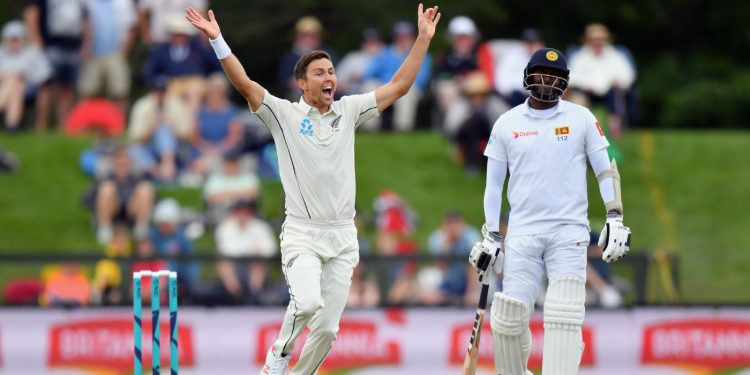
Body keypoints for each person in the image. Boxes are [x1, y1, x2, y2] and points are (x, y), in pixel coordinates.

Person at [185, 4, 441, 374]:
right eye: (319, 72)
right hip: (303, 233)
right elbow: (243, 83)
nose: (329, 77)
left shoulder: (349, 110)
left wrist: (422, 39)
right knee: (306, 304)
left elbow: (399, 86)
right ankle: (278, 356)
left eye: (332, 71)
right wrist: (217, 40)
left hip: (342, 235)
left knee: (327, 330)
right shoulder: (283, 114)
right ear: (301, 83)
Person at [467, 47, 631, 374]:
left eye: (556, 77)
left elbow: (605, 169)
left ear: (565, 82)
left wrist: (615, 214)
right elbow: (493, 186)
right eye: (542, 74)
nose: (548, 82)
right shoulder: (507, 123)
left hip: (568, 231)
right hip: (523, 233)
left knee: (563, 315)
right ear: (528, 76)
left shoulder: (581, 117)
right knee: (509, 318)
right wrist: (491, 235)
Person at [24, 0, 85, 132]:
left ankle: (63, 127)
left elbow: (86, 18)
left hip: (73, 47)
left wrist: (85, 45)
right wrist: (35, 37)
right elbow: (31, 12)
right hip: (49, 46)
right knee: (46, 86)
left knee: (67, 88)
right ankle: (41, 126)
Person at [362, 20, 432, 131]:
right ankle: (370, 129)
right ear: (395, 38)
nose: (403, 39)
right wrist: (390, 86)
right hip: (386, 86)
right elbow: (369, 74)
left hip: (409, 87)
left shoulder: (421, 53)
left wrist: (398, 86)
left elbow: (421, 79)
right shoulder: (385, 52)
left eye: (406, 36)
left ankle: (403, 129)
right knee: (370, 85)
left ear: (413, 37)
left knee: (407, 91)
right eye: (400, 36)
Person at [568, 23, 635, 139]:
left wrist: (618, 82)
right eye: (594, 40)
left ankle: (614, 129)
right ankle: (579, 131)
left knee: (616, 94)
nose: (597, 43)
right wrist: (585, 85)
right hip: (586, 92)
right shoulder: (580, 57)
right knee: (577, 98)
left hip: (610, 93)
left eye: (600, 40)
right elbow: (570, 77)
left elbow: (628, 76)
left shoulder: (616, 56)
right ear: (588, 41)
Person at [213, 199, 277, 304]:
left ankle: (253, 295)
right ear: (234, 212)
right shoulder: (225, 228)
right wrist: (251, 250)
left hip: (254, 266)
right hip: (234, 265)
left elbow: (270, 250)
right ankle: (236, 294)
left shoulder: (261, 227)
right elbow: (225, 251)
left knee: (258, 261)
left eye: (246, 211)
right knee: (223, 262)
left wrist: (254, 253)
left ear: (251, 212)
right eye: (239, 211)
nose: (242, 214)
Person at [78, 0, 137, 111]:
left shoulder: (124, 2)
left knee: (120, 92)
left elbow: (132, 28)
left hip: (116, 53)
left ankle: (119, 125)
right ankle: (84, 124)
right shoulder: (86, 2)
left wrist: (125, 52)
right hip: (92, 54)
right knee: (87, 91)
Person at [0, 20, 51, 132]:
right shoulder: (1, 53)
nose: (13, 43)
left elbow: (45, 75)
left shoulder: (32, 52)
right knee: (13, 85)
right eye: (11, 40)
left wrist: (24, 76)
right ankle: (12, 124)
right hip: (7, 88)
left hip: (28, 89)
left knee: (15, 82)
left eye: (16, 40)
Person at [494, 28, 544, 107]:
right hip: (514, 97)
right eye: (529, 42)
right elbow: (501, 81)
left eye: (534, 42)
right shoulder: (513, 55)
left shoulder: (546, 58)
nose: (531, 45)